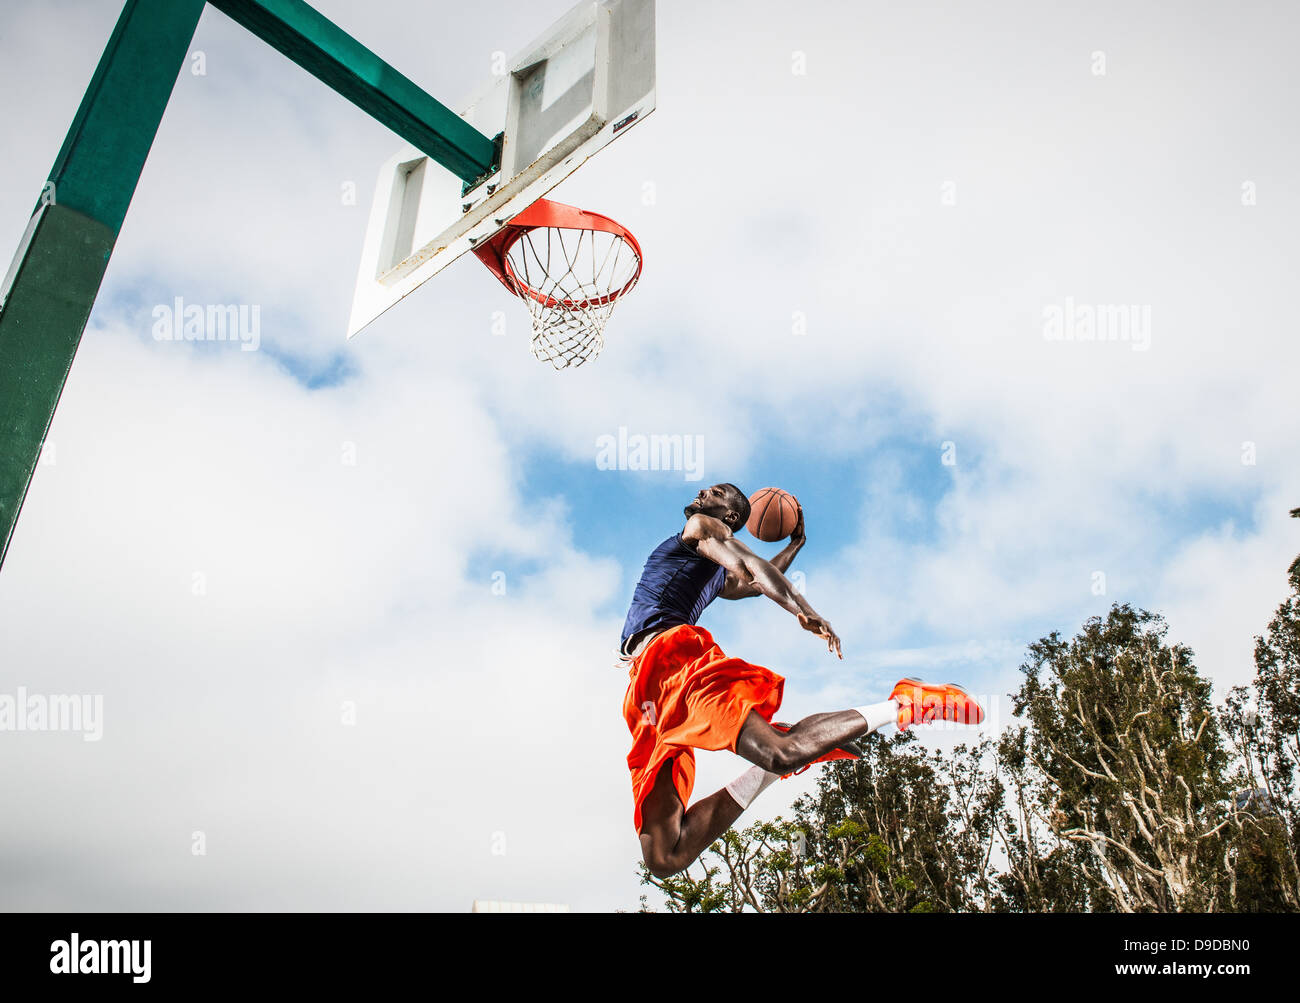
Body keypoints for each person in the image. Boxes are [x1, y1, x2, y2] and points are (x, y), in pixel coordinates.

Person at [620, 483, 984, 878]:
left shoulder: (701, 526)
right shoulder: (706, 561)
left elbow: (751, 567)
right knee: (664, 856)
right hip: (644, 684)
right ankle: (777, 762)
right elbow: (748, 585)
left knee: (783, 751)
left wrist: (801, 609)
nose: (705, 490)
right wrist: (796, 544)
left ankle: (903, 703)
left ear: (729, 518)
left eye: (719, 492)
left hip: (671, 658)